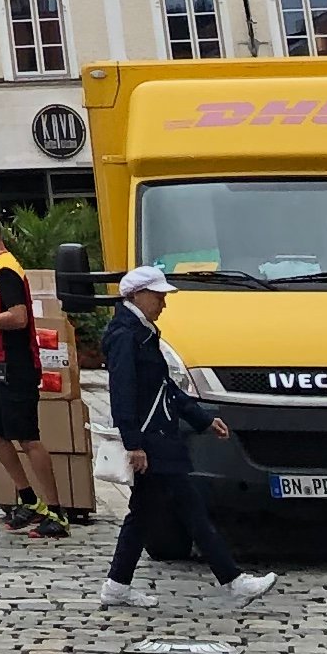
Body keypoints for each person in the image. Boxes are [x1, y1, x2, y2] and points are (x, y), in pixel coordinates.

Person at [99, 261, 273, 608]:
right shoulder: (126, 336)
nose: (164, 304)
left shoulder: (142, 333)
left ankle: (117, 585)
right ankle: (233, 580)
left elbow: (165, 388)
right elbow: (123, 393)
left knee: (145, 512)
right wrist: (133, 443)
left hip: (159, 437)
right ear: (139, 295)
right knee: (189, 508)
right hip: (153, 440)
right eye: (159, 297)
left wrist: (202, 419)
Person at [0, 211, 70, 537]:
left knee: (28, 438)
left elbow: (19, 318)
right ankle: (29, 498)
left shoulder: (5, 269)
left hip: (17, 364)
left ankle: (57, 512)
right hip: (1, 362)